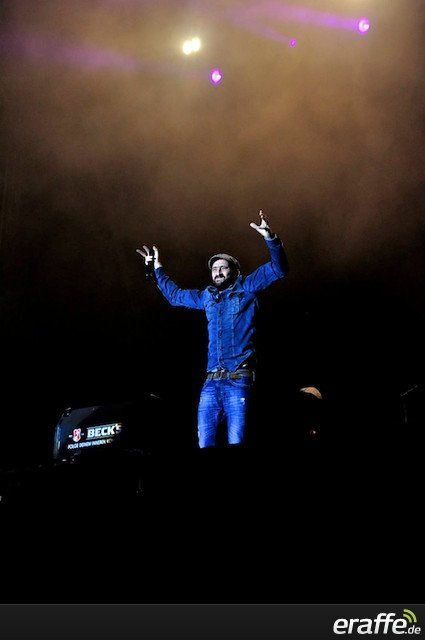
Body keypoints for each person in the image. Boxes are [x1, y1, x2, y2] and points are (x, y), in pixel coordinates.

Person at [137, 211, 289, 448]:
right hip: (210, 382)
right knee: (204, 444)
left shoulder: (247, 287)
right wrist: (157, 268)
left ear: (234, 272)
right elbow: (175, 296)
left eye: (223, 267)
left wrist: (270, 238)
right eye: (214, 268)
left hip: (238, 378)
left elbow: (279, 269)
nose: (217, 272)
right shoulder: (207, 297)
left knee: (236, 441)